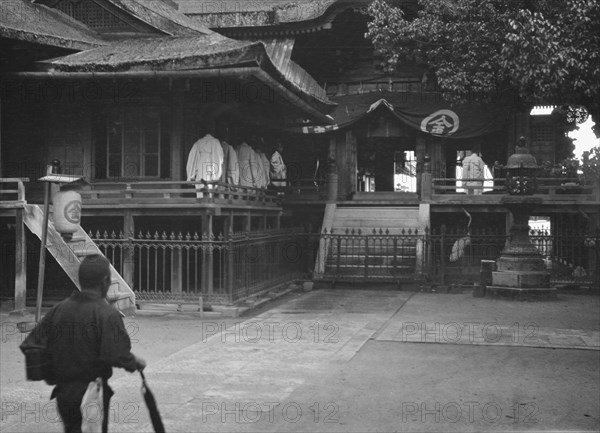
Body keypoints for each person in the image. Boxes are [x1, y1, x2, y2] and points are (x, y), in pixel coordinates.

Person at [20, 255, 146, 433]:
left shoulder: (59, 309)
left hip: (63, 393)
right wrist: (135, 363)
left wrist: (50, 373)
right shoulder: (107, 314)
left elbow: (32, 345)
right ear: (105, 281)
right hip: (92, 392)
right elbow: (117, 354)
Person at [186, 124, 224, 198]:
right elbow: (218, 156)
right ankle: (209, 200)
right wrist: (216, 174)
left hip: (200, 164)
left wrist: (192, 173)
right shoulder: (215, 142)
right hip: (210, 163)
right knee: (209, 185)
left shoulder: (199, 142)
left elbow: (192, 157)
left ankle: (200, 200)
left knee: (200, 183)